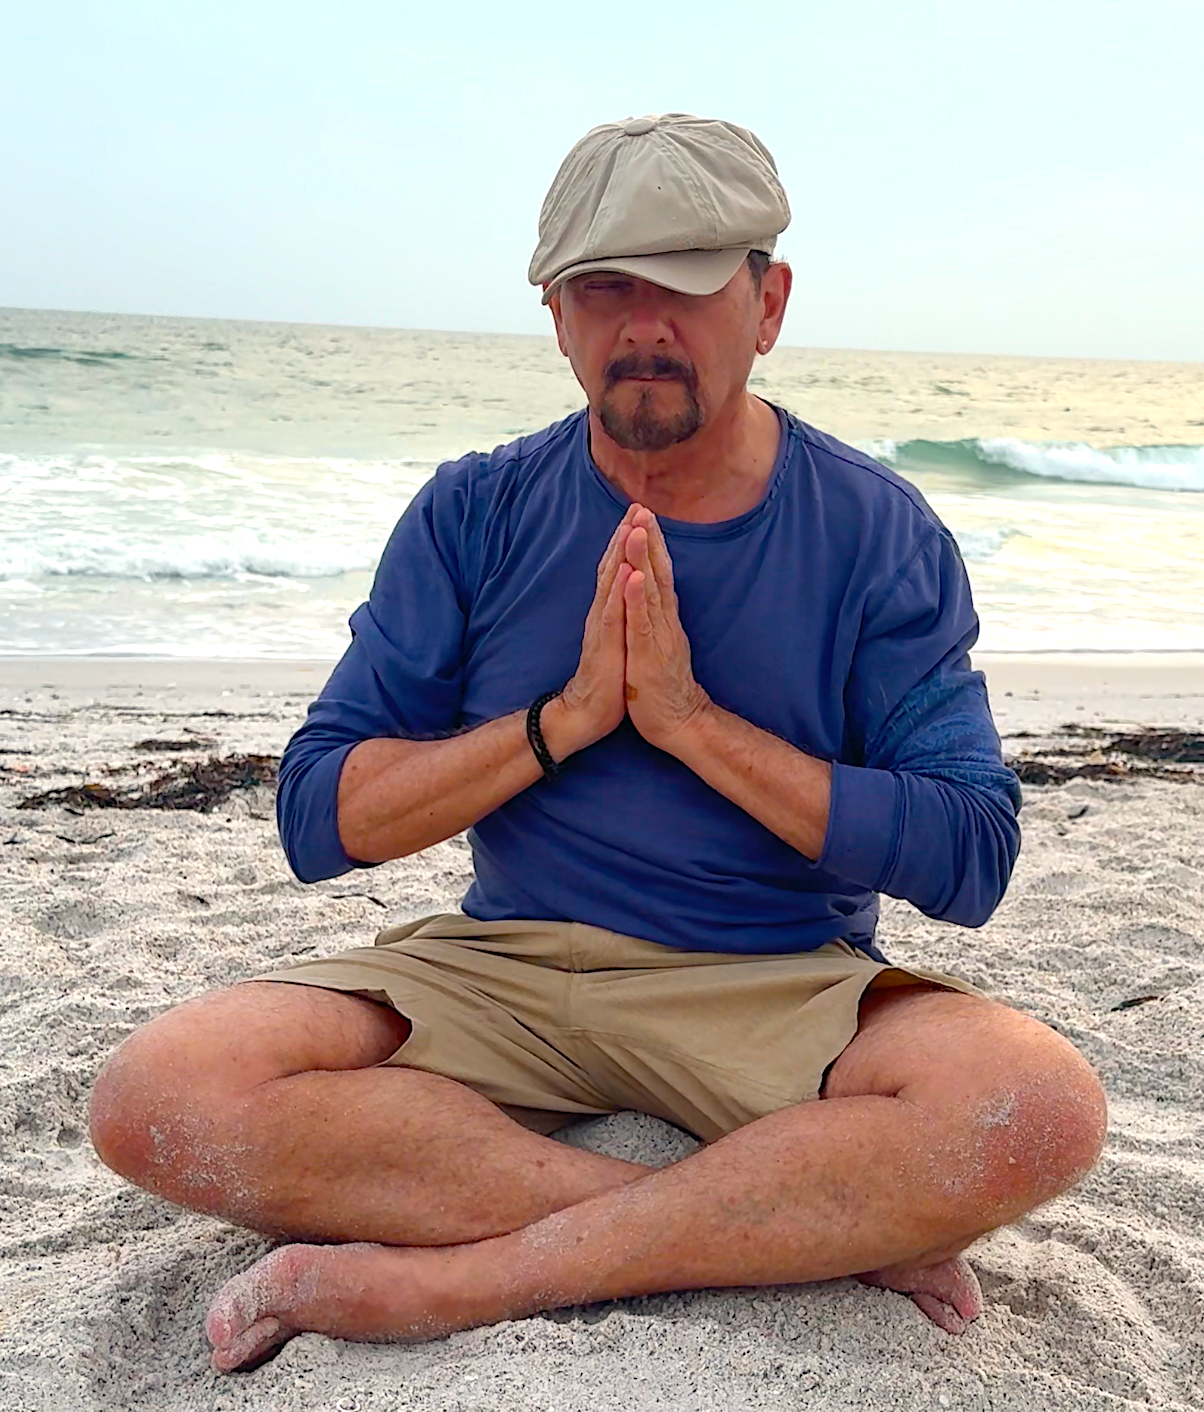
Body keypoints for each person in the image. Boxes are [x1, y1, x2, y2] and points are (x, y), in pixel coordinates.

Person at [88, 113, 1107, 1374]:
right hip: (504, 968)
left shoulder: (875, 532)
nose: (644, 327)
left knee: (1036, 1106)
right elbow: (317, 813)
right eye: (603, 289)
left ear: (767, 302)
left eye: (684, 286)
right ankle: (788, 1224)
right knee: (155, 1096)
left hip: (774, 979)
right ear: (558, 318)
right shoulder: (475, 511)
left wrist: (690, 725)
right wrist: (557, 723)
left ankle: (474, 1277)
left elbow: (970, 855)